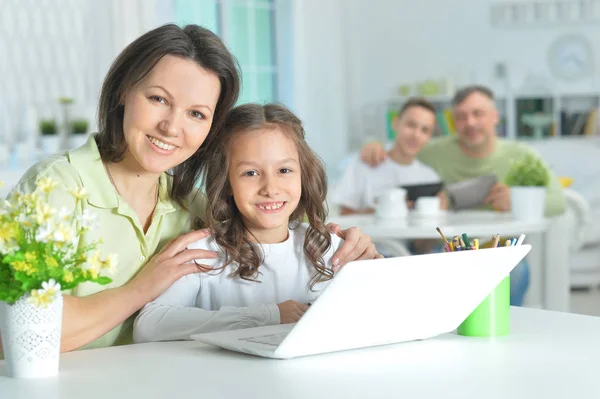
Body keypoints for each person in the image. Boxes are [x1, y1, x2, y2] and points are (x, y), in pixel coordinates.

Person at [2, 24, 379, 355]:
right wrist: (140, 289)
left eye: (196, 113)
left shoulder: (191, 207)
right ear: (123, 92)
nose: (171, 127)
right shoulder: (56, 188)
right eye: (158, 99)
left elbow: (270, 223)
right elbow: (18, 334)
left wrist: (352, 250)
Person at [133, 103, 381, 342]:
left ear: (303, 175)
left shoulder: (328, 247)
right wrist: (267, 315)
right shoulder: (203, 252)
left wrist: (377, 270)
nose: (270, 189)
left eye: (284, 171)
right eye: (250, 173)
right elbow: (149, 326)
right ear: (227, 183)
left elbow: (379, 313)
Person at [359, 85, 567, 306]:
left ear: (495, 117)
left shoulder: (522, 155)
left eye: (478, 114)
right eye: (461, 117)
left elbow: (559, 201)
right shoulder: (434, 151)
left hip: (497, 248)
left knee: (514, 272)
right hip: (446, 249)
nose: (470, 123)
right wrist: (373, 145)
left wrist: (514, 199)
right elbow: (401, 150)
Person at [332, 98, 443, 215]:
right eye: (411, 125)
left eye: (425, 130)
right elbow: (344, 214)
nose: (416, 135)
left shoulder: (430, 178)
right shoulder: (364, 163)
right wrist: (382, 211)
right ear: (396, 124)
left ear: (429, 136)